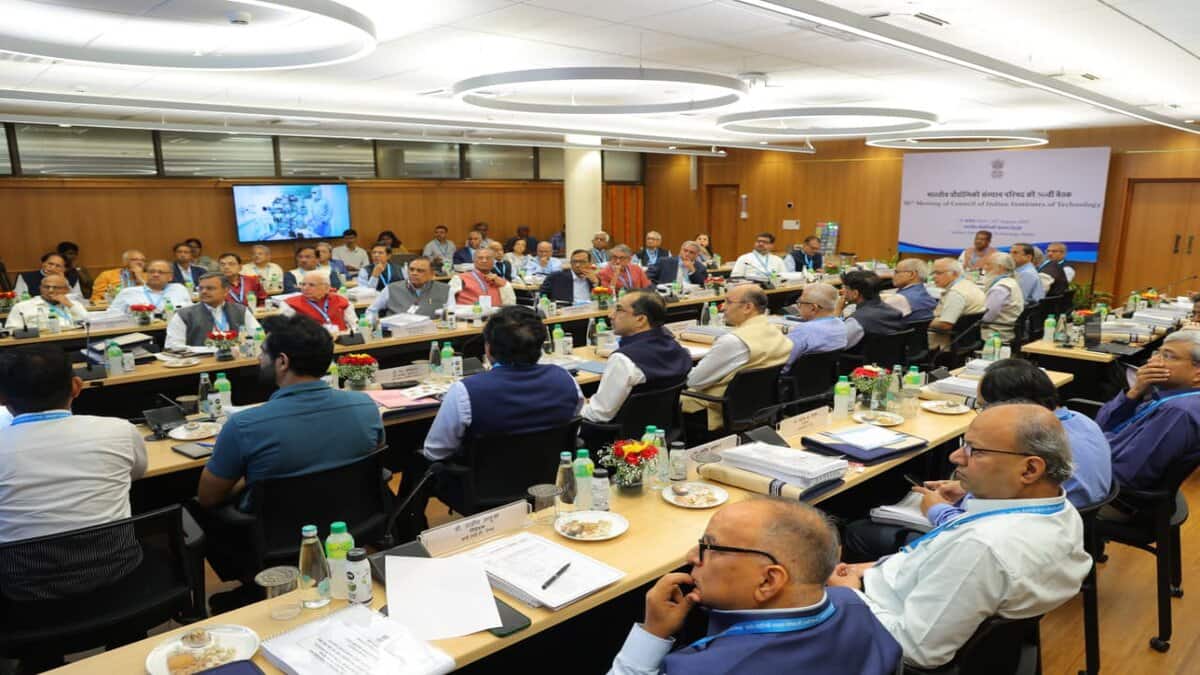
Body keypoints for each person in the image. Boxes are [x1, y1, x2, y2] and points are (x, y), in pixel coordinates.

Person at [827, 404, 1091, 669]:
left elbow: (916, 651)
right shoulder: (1059, 510)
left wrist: (851, 596)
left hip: (881, 624)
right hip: (898, 591)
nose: (955, 457)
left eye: (974, 451)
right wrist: (873, 568)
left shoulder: (982, 547)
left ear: (1030, 470)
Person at [842, 359, 1113, 561]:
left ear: (1010, 406)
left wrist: (937, 509)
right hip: (1069, 533)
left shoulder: (1032, 448)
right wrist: (964, 490)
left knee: (857, 529)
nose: (981, 413)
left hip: (1020, 544)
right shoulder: (1081, 421)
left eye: (984, 406)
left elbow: (976, 530)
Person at [195, 314, 383, 601]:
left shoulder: (244, 425)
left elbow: (208, 497)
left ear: (282, 362)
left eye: (263, 354)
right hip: (351, 527)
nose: (258, 360)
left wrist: (246, 481)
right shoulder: (365, 406)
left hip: (274, 539)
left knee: (189, 507)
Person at [608, 499, 901, 675]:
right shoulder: (854, 604)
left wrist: (652, 635)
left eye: (710, 547)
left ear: (768, 580)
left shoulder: (703, 669)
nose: (691, 558)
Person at [0, 346, 147, 596]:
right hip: (120, 580)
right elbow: (137, 474)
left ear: (2, 398)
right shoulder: (120, 431)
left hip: (24, 595)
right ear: (77, 386)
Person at [421, 306, 582, 462]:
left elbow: (436, 451)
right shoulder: (565, 379)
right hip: (552, 483)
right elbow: (573, 430)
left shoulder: (465, 392)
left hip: (481, 487)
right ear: (541, 346)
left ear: (488, 348)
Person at [1095, 330, 1200, 494]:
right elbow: (1100, 426)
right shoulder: (1167, 395)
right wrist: (1135, 391)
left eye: (1168, 356)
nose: (1152, 361)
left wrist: (1084, 468)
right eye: (1157, 353)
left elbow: (1129, 475)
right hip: (1103, 461)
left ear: (1197, 374)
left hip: (1114, 496)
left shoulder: (1178, 411)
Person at [683, 285, 792, 431]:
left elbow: (694, 381)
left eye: (728, 302)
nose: (723, 308)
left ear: (747, 307)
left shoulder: (733, 341)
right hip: (760, 408)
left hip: (717, 409)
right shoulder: (777, 333)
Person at [581, 290, 693, 426]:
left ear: (640, 320)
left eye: (619, 310)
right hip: (663, 431)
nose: (611, 315)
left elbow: (600, 414)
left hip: (619, 441)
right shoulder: (676, 347)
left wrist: (575, 407)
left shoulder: (623, 359)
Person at [165, 273, 261, 349]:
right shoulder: (184, 314)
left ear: (226, 291)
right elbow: (172, 346)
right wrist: (207, 349)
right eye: (201, 288)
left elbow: (258, 336)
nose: (204, 292)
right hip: (200, 365)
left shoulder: (241, 310)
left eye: (210, 288)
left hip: (236, 361)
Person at [783, 282, 848, 372]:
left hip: (793, 382)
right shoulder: (841, 324)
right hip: (825, 382)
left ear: (813, 307)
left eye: (800, 303)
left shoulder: (803, 331)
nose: (798, 307)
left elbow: (783, 364)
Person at [927, 258, 985, 349]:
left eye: (938, 273)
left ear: (954, 274)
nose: (934, 277)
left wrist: (925, 321)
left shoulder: (956, 293)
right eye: (933, 273)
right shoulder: (969, 285)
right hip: (968, 340)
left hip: (943, 345)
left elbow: (945, 325)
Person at [366, 256, 449, 319]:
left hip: (432, 334)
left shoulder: (446, 289)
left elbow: (452, 313)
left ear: (432, 274)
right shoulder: (391, 288)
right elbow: (371, 311)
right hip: (398, 334)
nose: (414, 273)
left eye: (420, 271)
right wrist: (375, 325)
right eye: (411, 269)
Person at [840, 270, 904, 349]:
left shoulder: (857, 321)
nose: (842, 291)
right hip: (891, 358)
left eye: (846, 288)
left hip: (860, 360)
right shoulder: (895, 312)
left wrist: (837, 310)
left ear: (855, 294)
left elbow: (836, 344)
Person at [5, 274, 88, 330]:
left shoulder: (73, 304)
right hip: (38, 345)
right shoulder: (22, 307)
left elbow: (90, 322)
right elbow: (11, 330)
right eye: (46, 287)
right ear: (40, 288)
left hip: (74, 341)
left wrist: (70, 305)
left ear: (66, 290)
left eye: (56, 287)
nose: (50, 290)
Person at [280, 272, 357, 331]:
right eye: (303, 284)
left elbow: (354, 326)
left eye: (311, 285)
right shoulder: (290, 304)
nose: (305, 288)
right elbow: (288, 331)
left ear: (326, 287)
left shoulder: (342, 302)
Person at [109, 260, 192, 314]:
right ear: (146, 274)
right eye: (152, 272)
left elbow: (190, 311)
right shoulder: (128, 292)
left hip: (173, 329)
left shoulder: (178, 289)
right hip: (139, 332)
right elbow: (112, 315)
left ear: (170, 277)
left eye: (161, 272)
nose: (155, 275)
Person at [979, 253, 1025, 344]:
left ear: (1000, 268)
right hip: (1008, 328)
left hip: (996, 333)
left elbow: (988, 317)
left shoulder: (1000, 288)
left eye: (988, 264)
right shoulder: (1011, 281)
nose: (985, 268)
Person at [451, 247, 516, 306]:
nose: (484, 260)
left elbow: (511, 304)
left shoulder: (500, 281)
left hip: (494, 316)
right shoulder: (459, 278)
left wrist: (504, 285)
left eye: (488, 258)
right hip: (467, 316)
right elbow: (448, 301)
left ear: (493, 261)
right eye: (480, 258)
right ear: (474, 261)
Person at [13, 252, 81, 299]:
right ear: (43, 263)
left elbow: (77, 299)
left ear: (64, 269)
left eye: (58, 266)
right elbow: (19, 298)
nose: (53, 268)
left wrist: (64, 282)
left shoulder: (72, 278)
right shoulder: (26, 277)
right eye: (50, 264)